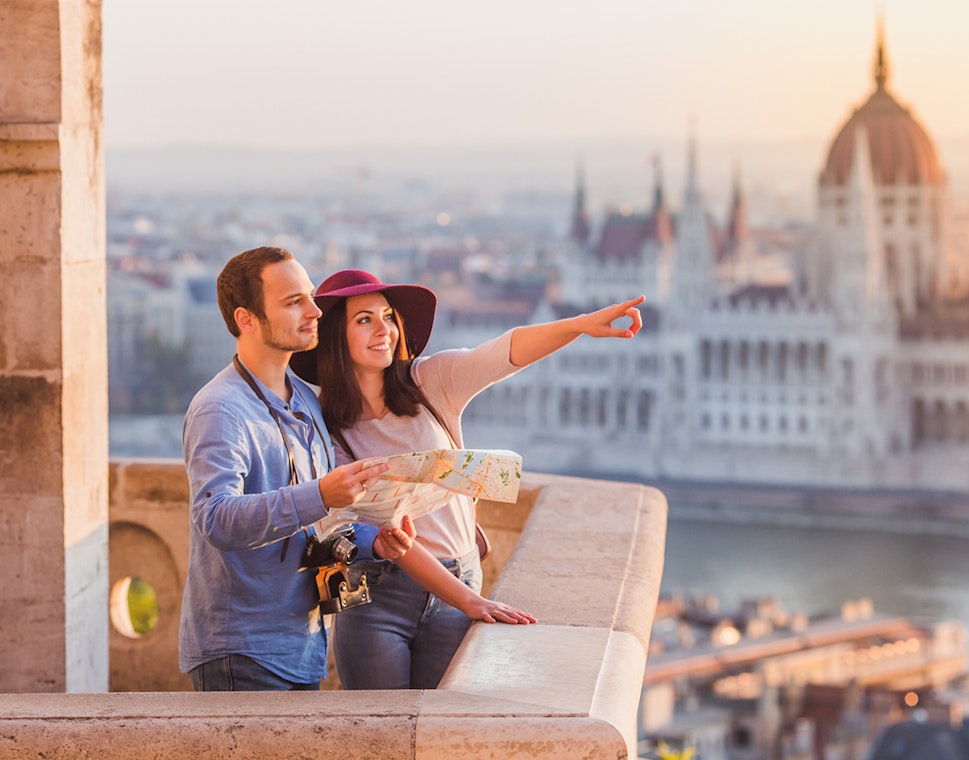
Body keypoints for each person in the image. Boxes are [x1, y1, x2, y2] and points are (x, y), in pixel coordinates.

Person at [290, 268, 644, 689]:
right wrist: (470, 601)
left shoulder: (430, 380)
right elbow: (380, 536)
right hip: (377, 594)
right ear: (334, 336)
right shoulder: (322, 422)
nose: (383, 329)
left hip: (459, 576)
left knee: (441, 733)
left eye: (387, 316)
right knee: (382, 735)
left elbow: (503, 352)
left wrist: (580, 325)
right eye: (363, 320)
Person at [179, 246, 415, 691]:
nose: (314, 311)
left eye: (309, 296)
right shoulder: (219, 409)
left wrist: (373, 540)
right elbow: (215, 519)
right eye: (294, 302)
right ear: (246, 319)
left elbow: (320, 520)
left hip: (302, 646)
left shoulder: (304, 398)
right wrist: (321, 494)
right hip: (242, 651)